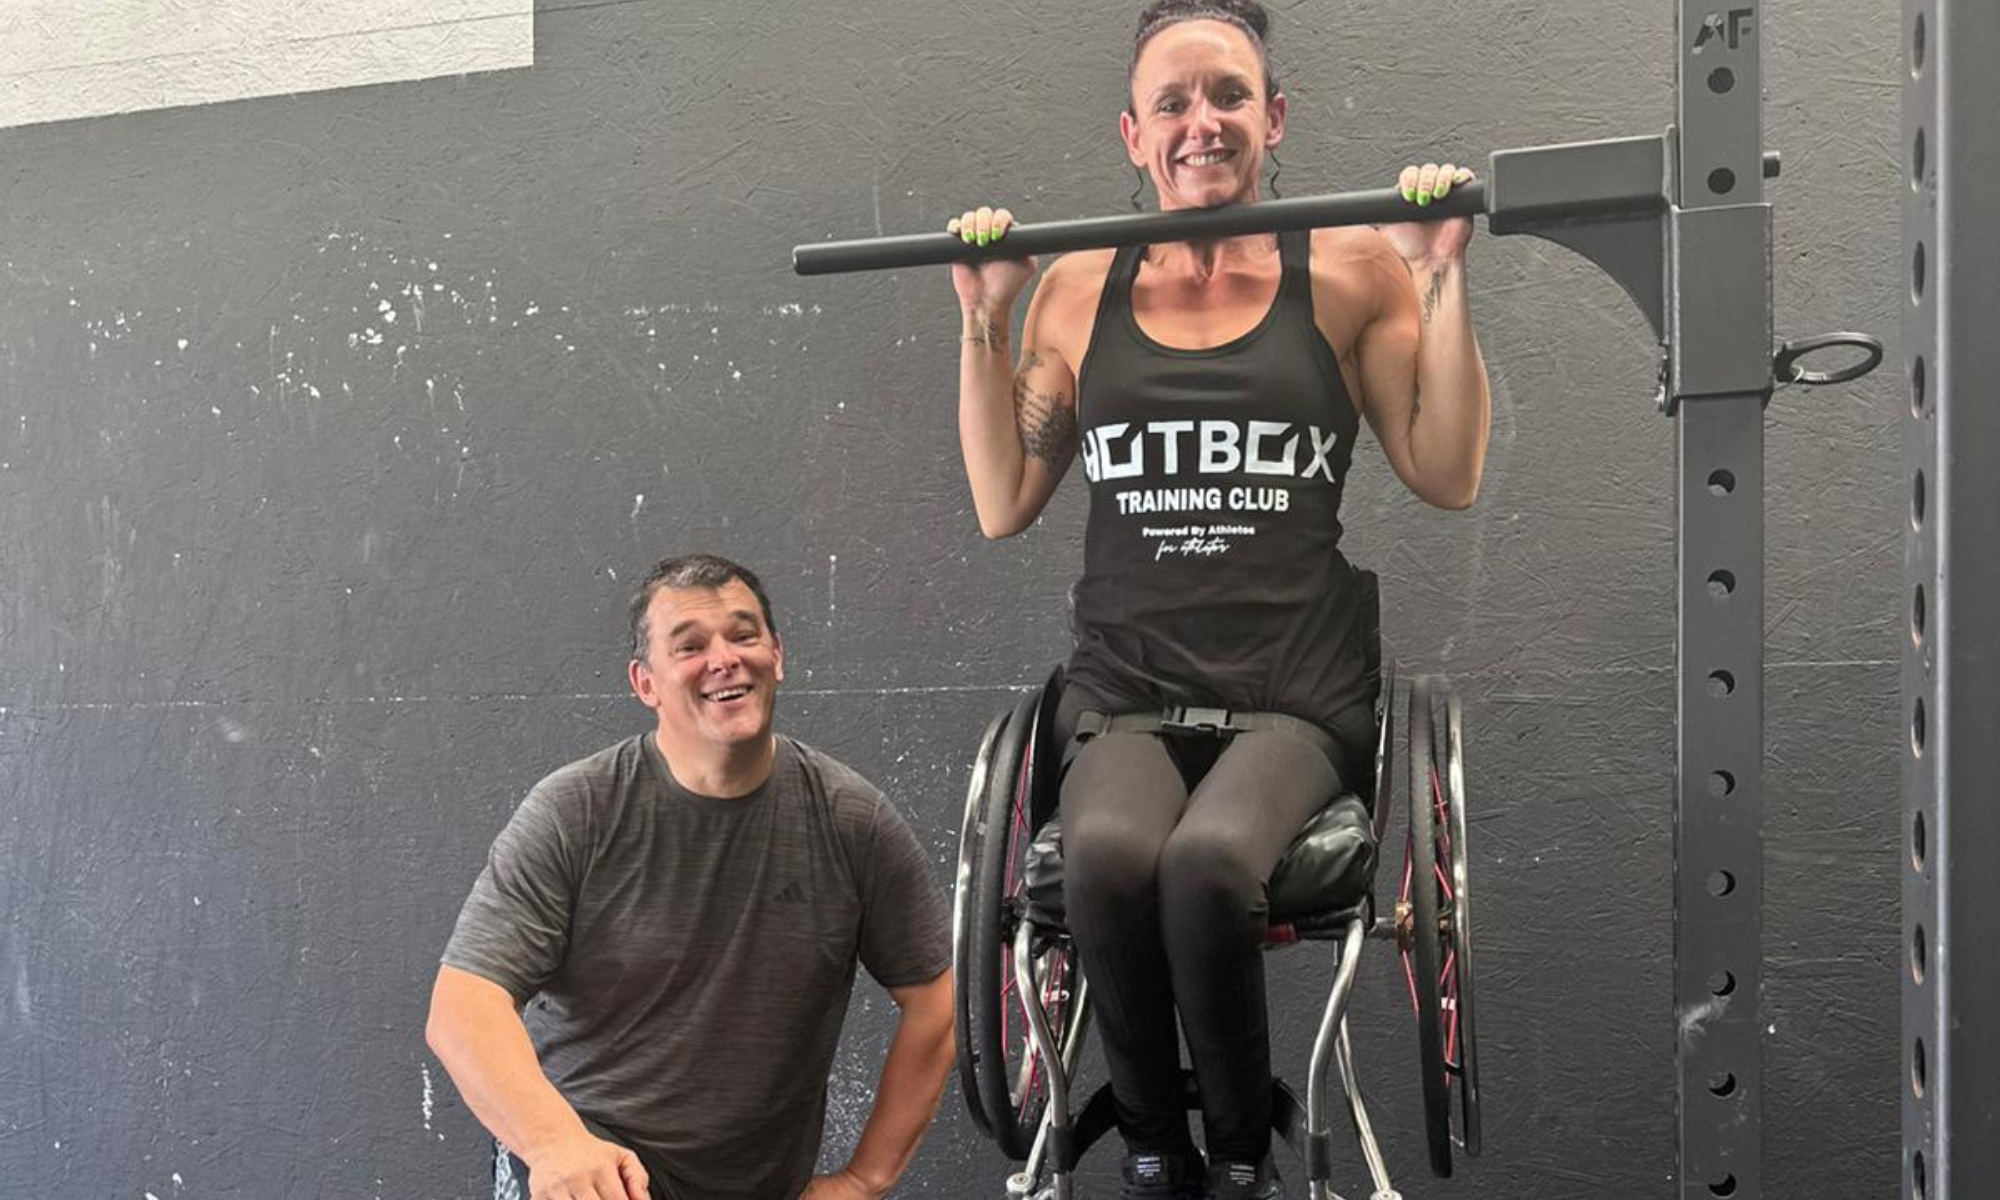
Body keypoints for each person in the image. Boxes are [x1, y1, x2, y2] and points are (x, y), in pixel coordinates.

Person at [944, 2, 1491, 1196]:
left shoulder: (1347, 268)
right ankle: (1153, 1151)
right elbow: (1001, 499)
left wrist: (1438, 278)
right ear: (1133, 136)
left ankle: (1239, 1152)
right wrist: (984, 316)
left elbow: (1446, 471)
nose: (1204, 123)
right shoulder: (1079, 287)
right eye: (1175, 104)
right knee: (1100, 855)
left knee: (1204, 869)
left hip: (1293, 689)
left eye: (1229, 96)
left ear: (1272, 117)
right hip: (1129, 687)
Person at [425, 554, 955, 1200]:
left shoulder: (852, 822)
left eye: (744, 634)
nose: (724, 659)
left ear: (778, 656)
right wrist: (554, 1145)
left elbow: (936, 1003)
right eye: (691, 646)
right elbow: (462, 1008)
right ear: (644, 683)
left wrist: (865, 1180)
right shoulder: (577, 811)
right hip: (597, 1174)